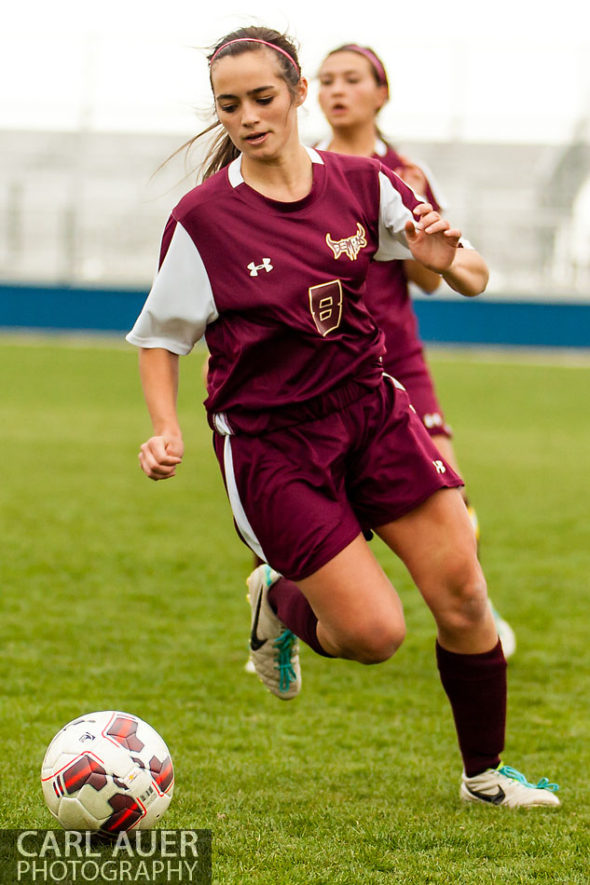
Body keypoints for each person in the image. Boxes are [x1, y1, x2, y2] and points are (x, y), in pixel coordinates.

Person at [127, 26, 558, 807]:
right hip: (273, 445)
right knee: (374, 635)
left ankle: (486, 779)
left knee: (464, 593)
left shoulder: (366, 182)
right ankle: (277, 598)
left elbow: (472, 274)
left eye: (263, 97)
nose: (250, 116)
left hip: (372, 410)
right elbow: (160, 339)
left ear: (295, 94)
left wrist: (441, 259)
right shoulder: (204, 221)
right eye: (231, 105)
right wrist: (166, 427)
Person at [316, 43, 516, 656]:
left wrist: (407, 235)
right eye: (325, 80)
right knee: (324, 504)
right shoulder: (303, 171)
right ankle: (295, 608)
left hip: (397, 356)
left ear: (382, 93)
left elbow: (430, 279)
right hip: (326, 364)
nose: (336, 90)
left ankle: (472, 608)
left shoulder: (406, 173)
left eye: (351, 79)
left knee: (450, 491)